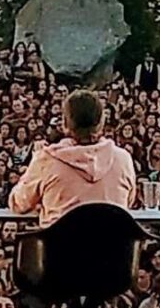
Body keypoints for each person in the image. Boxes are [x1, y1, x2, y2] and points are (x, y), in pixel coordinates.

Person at [9, 89, 136, 227]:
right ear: (101, 122)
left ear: (64, 123)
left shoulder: (47, 160)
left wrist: (32, 170)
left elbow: (19, 202)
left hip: (60, 247)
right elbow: (128, 201)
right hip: (113, 247)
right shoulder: (123, 160)